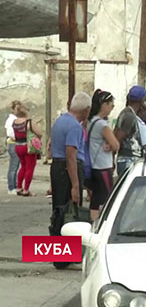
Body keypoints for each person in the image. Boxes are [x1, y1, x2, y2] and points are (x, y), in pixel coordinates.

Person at [49, 92, 91, 236]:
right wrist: (75, 184)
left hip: (57, 167)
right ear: (86, 109)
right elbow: (70, 154)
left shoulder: (59, 121)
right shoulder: (75, 126)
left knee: (59, 208)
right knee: (71, 212)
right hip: (69, 169)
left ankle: (57, 246)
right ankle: (67, 249)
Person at [87, 90, 120, 220]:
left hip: (93, 166)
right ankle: (100, 224)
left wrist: (108, 144)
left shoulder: (90, 121)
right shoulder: (102, 124)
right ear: (103, 105)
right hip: (103, 167)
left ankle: (93, 222)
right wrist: (111, 144)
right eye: (111, 104)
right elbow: (116, 144)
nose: (112, 107)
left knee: (95, 199)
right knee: (106, 198)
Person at [114, 86, 146, 176]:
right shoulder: (129, 116)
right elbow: (118, 138)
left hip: (129, 159)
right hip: (127, 159)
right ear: (140, 100)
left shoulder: (128, 113)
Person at [12, 103, 43, 196]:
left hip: (18, 146)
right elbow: (39, 133)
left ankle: (18, 187)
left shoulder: (14, 122)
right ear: (25, 111)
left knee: (23, 166)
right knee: (30, 167)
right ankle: (26, 189)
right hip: (28, 147)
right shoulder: (29, 122)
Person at [5, 100, 21, 195]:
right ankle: (11, 187)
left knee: (15, 166)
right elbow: (10, 133)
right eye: (17, 109)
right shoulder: (12, 120)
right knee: (13, 166)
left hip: (15, 143)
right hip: (13, 143)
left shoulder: (14, 119)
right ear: (13, 109)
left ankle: (14, 185)